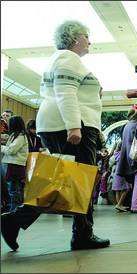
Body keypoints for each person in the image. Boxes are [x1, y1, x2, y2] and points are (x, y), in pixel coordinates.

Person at [1, 20, 110, 251]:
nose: (89, 41)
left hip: (58, 123)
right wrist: (74, 126)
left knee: (64, 181)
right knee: (80, 182)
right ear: (75, 38)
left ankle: (16, 219)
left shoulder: (62, 59)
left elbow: (68, 91)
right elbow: (65, 92)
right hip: (70, 125)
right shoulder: (68, 58)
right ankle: (81, 234)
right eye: (86, 36)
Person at [1, 116, 28, 212]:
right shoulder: (14, 135)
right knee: (12, 189)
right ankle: (13, 210)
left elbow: (11, 150)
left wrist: (1, 147)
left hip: (15, 166)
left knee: (14, 190)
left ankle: (14, 212)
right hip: (11, 165)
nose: (8, 125)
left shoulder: (21, 136)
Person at [110, 141, 131, 212]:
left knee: (117, 190)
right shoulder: (123, 154)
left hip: (116, 173)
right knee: (126, 189)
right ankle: (119, 204)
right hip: (122, 172)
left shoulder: (115, 154)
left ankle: (119, 206)